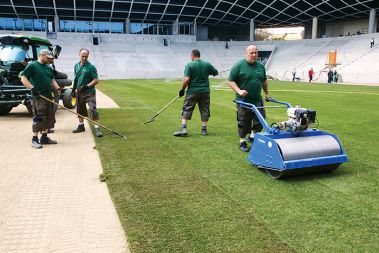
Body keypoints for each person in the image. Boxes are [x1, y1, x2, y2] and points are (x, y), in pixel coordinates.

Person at [228, 45, 270, 152]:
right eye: (251, 53)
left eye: (256, 52)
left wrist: (266, 94)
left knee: (260, 120)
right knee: (244, 121)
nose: (254, 55)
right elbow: (231, 81)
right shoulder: (238, 65)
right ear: (246, 53)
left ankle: (252, 136)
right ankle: (242, 141)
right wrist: (239, 91)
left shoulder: (260, 66)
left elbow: (264, 80)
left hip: (257, 99)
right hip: (243, 101)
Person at [173, 49, 218, 137]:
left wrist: (182, 89)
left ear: (192, 56)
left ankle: (184, 128)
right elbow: (215, 73)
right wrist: (209, 72)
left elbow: (186, 79)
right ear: (199, 55)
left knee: (187, 108)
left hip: (192, 92)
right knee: (205, 109)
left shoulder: (189, 65)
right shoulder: (207, 64)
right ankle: (204, 130)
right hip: (205, 92)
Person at [20, 49, 60, 149]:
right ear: (42, 55)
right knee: (39, 117)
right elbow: (23, 78)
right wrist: (32, 88)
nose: (50, 60)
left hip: (48, 97)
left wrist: (58, 88)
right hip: (38, 97)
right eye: (48, 58)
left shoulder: (48, 68)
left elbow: (52, 80)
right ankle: (34, 139)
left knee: (49, 117)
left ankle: (44, 138)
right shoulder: (33, 65)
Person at [72, 48, 102, 137]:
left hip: (89, 92)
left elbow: (96, 80)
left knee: (93, 109)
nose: (84, 58)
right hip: (79, 92)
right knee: (80, 109)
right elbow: (76, 79)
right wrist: (74, 90)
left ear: (88, 56)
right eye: (82, 56)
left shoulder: (91, 67)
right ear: (79, 55)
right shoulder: (76, 66)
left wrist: (87, 86)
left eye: (86, 56)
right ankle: (81, 126)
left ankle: (97, 128)